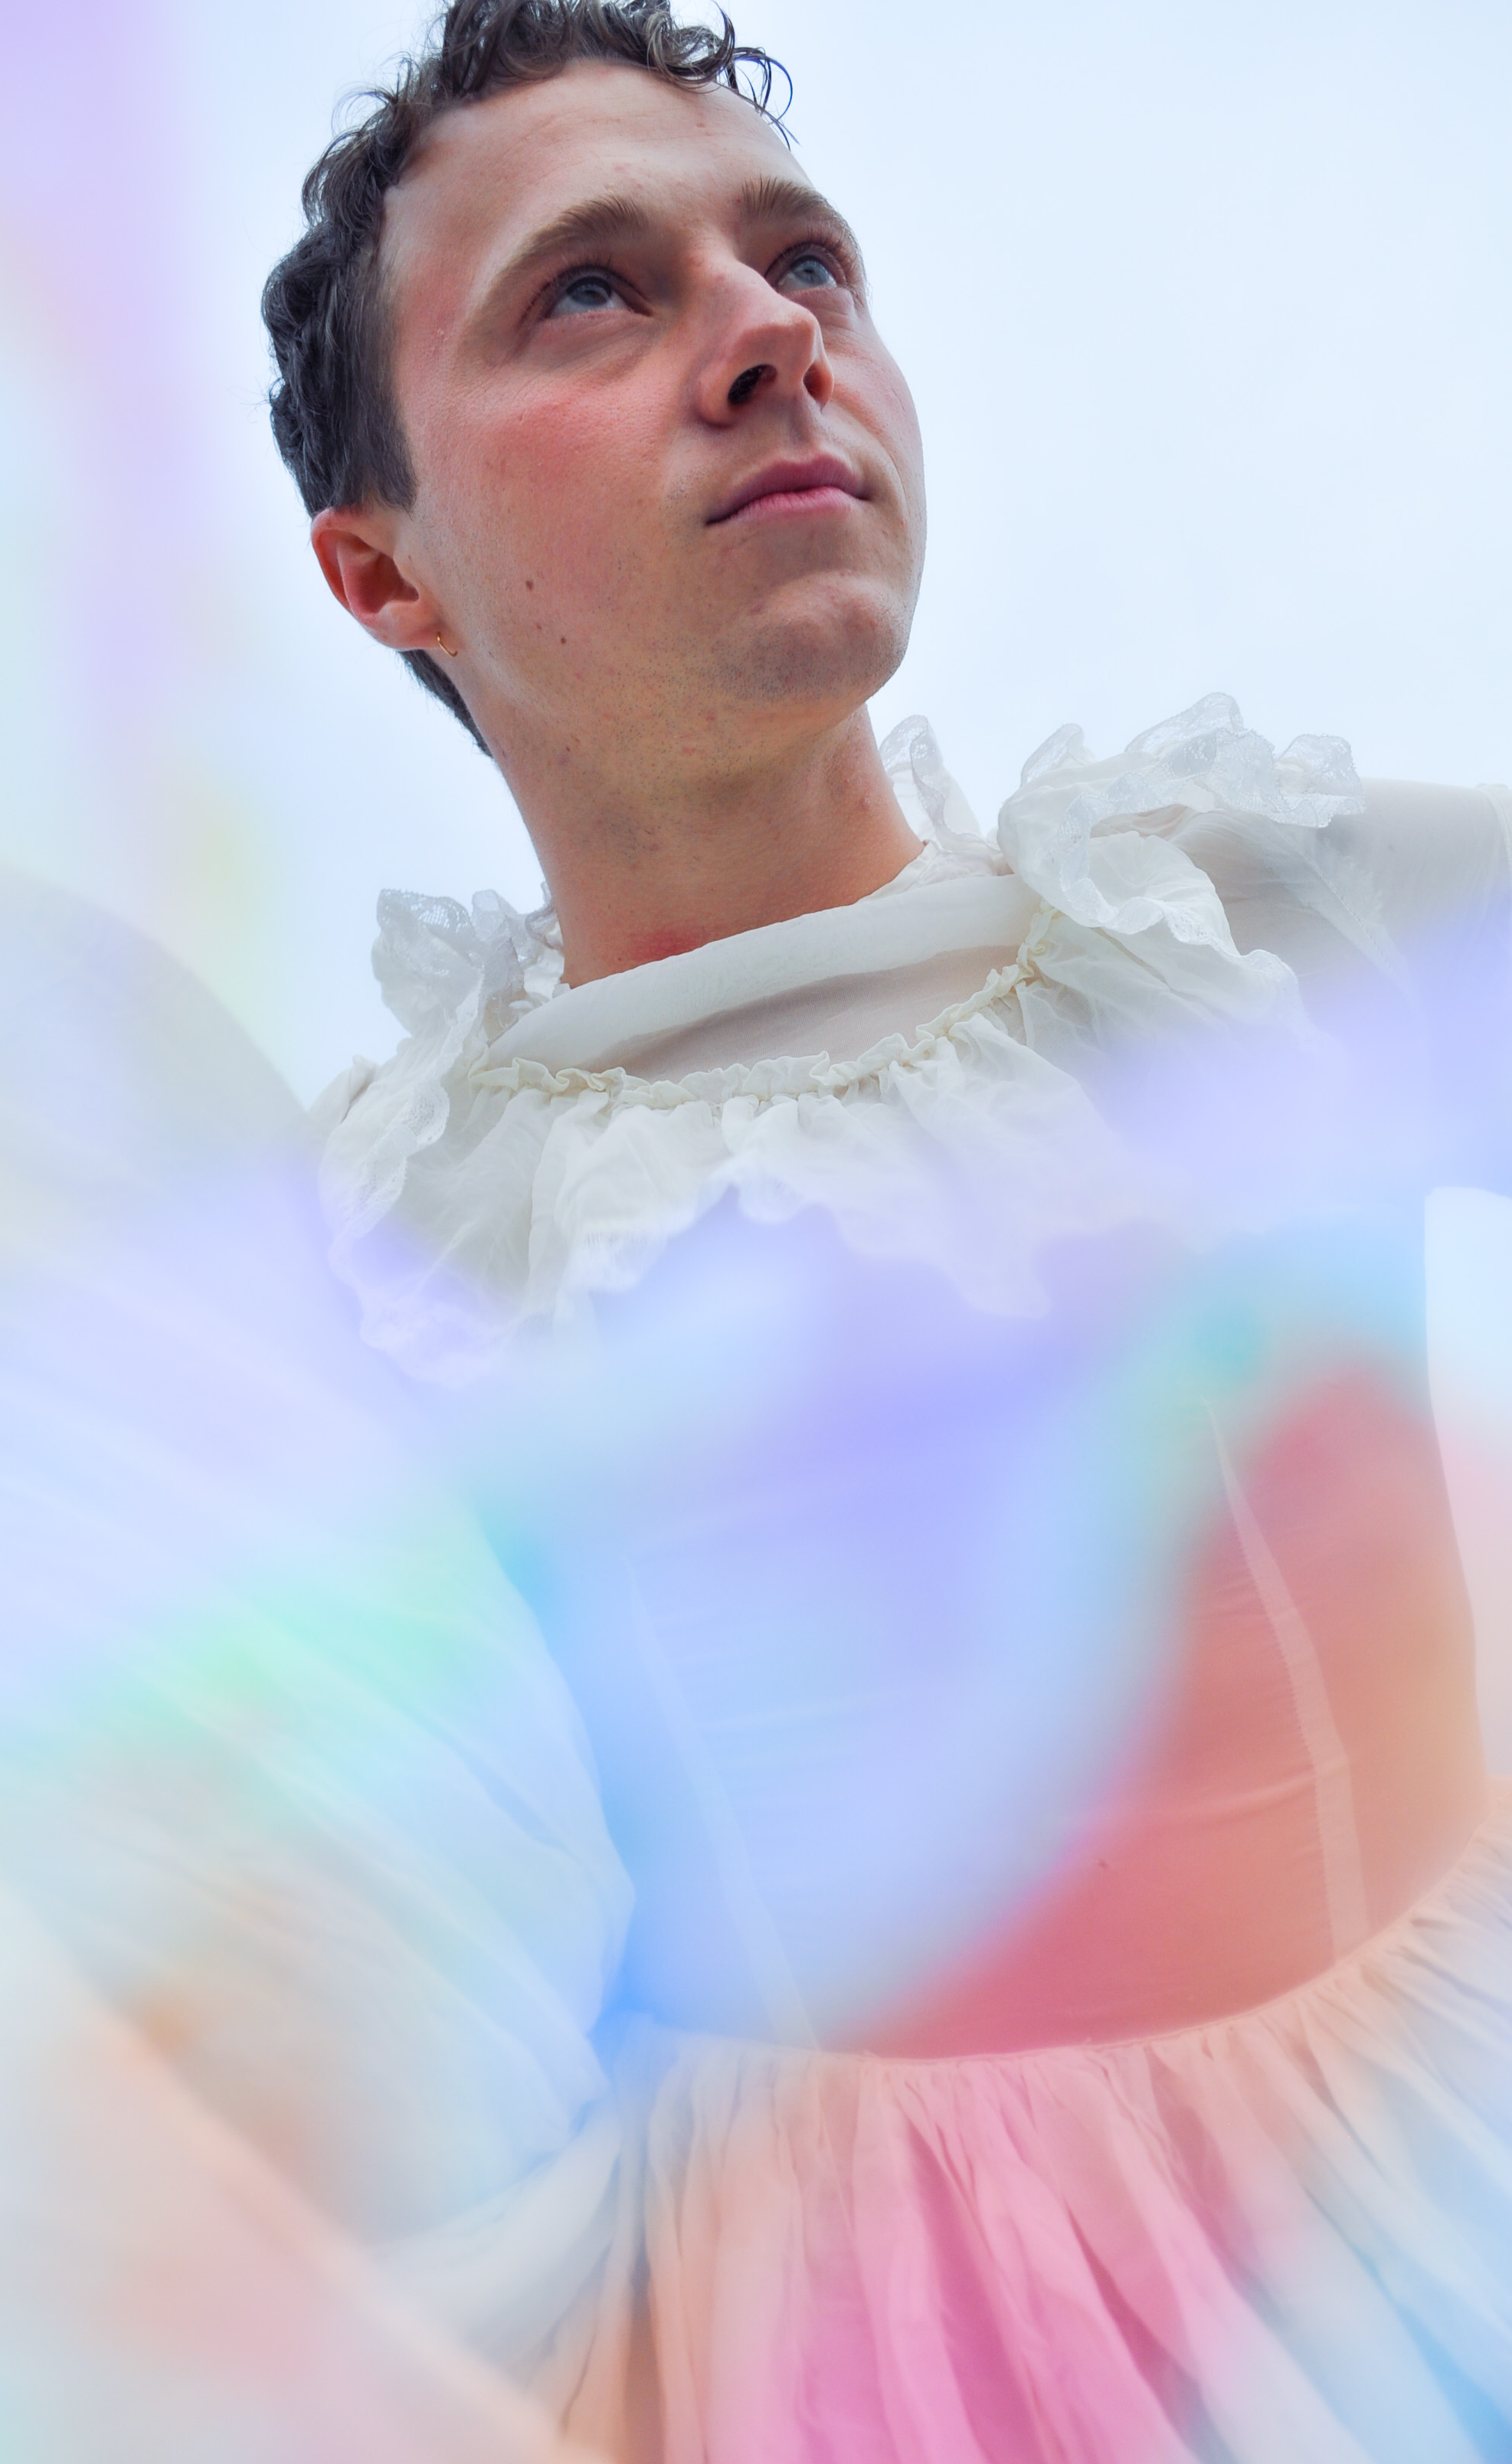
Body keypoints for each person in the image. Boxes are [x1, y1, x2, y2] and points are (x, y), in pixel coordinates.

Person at [257, 2, 1512, 2456]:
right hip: (816, 2380)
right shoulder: (372, 1247)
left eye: (803, 257)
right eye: (591, 291)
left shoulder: (1231, 920)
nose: (767, 336)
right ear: (381, 568)